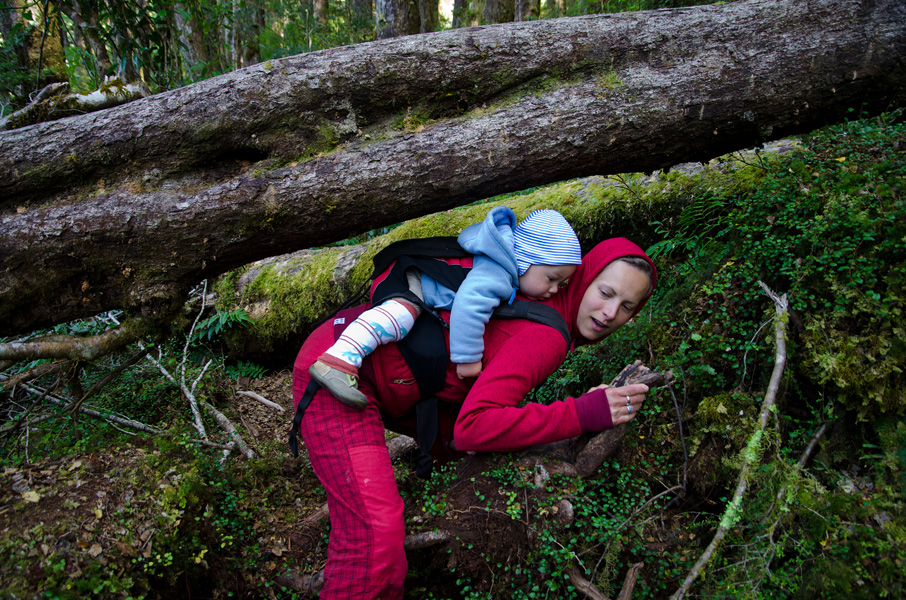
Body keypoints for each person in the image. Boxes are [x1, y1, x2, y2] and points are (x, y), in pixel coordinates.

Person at [291, 236, 656, 599]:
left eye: (627, 306)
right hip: (338, 372)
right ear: (584, 278)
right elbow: (473, 428)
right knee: (374, 541)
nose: (611, 313)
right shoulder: (547, 336)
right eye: (605, 293)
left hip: (368, 361)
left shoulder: (542, 294)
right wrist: (582, 413)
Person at [308, 207, 582, 408]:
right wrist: (469, 359)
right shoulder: (498, 273)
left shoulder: (504, 262)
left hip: (419, 273)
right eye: (551, 279)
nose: (555, 290)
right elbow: (469, 306)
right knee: (402, 317)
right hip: (411, 277)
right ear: (524, 261)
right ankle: (339, 360)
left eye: (562, 283)